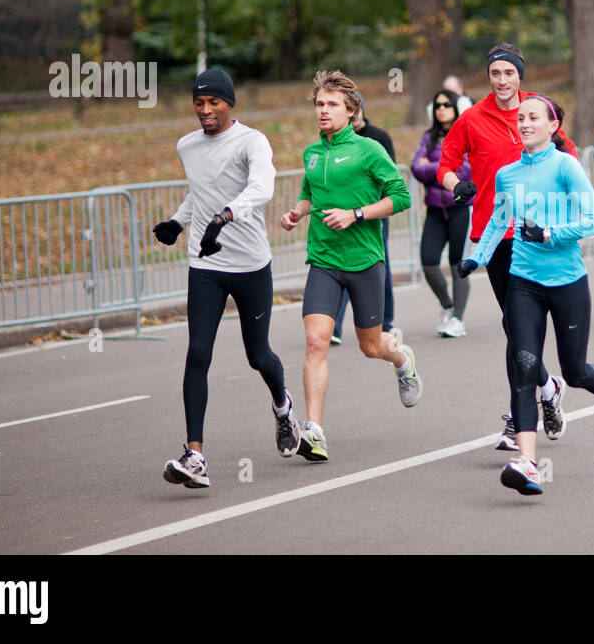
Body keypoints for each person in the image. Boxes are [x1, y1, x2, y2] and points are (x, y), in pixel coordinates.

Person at [457, 94, 594, 495]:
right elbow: (500, 220)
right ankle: (528, 463)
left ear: (553, 125)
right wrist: (475, 258)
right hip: (523, 281)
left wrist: (551, 233)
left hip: (567, 280)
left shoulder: (566, 166)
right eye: (520, 117)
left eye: (533, 117)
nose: (524, 122)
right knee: (523, 363)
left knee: (575, 371)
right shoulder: (507, 174)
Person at [157, 67, 297, 489]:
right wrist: (178, 222)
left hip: (251, 264)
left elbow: (262, 187)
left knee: (259, 357)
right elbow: (200, 191)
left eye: (213, 102)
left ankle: (283, 407)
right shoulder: (188, 145)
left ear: (229, 103)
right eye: (198, 103)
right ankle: (195, 454)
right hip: (206, 266)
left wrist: (226, 216)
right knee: (198, 353)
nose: (205, 110)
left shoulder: (252, 141)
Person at [437, 42, 579, 452]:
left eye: (509, 73)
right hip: (495, 237)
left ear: (521, 76)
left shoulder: (536, 113)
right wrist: (456, 186)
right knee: (514, 327)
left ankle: (521, 420)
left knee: (519, 328)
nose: (502, 81)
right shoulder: (472, 118)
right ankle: (547, 387)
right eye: (495, 73)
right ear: (488, 77)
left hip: (537, 231)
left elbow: (568, 154)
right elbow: (446, 164)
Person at [278, 70, 421, 463]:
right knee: (315, 341)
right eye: (319, 105)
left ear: (350, 109)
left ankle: (402, 359)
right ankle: (315, 431)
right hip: (324, 260)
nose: (324, 111)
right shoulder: (312, 153)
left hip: (363, 260)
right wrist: (297, 212)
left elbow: (402, 195)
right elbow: (310, 192)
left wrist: (357, 213)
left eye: (332, 105)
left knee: (370, 346)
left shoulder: (369, 150)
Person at [329, 93, 398, 345]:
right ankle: (334, 326)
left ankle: (386, 321)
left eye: (357, 108)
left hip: (373, 214)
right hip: (344, 214)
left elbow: (389, 180)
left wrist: (369, 207)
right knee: (343, 266)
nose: (354, 113)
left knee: (380, 266)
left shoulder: (378, 138)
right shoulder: (336, 139)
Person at [411, 88, 473, 338]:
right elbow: (416, 168)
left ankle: (458, 319)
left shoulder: (465, 134)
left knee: (459, 265)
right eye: (437, 105)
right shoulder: (429, 138)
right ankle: (447, 305)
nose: (441, 109)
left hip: (460, 209)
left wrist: (433, 168)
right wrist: (444, 171)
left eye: (447, 104)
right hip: (435, 211)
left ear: (457, 107)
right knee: (428, 263)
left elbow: (465, 170)